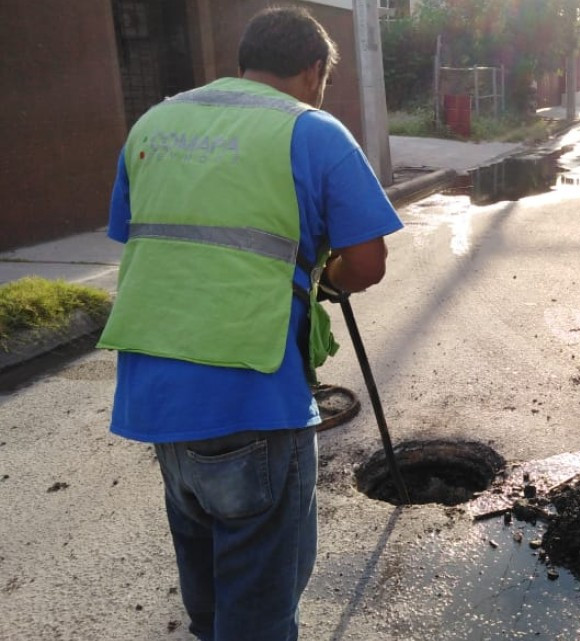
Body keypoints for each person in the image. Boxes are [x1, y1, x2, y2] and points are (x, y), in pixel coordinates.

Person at [97, 7, 403, 640]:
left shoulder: (155, 121)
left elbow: (149, 239)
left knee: (208, 597)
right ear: (315, 70)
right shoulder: (312, 131)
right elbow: (367, 264)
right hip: (252, 402)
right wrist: (321, 282)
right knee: (260, 613)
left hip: (157, 401)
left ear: (242, 64)